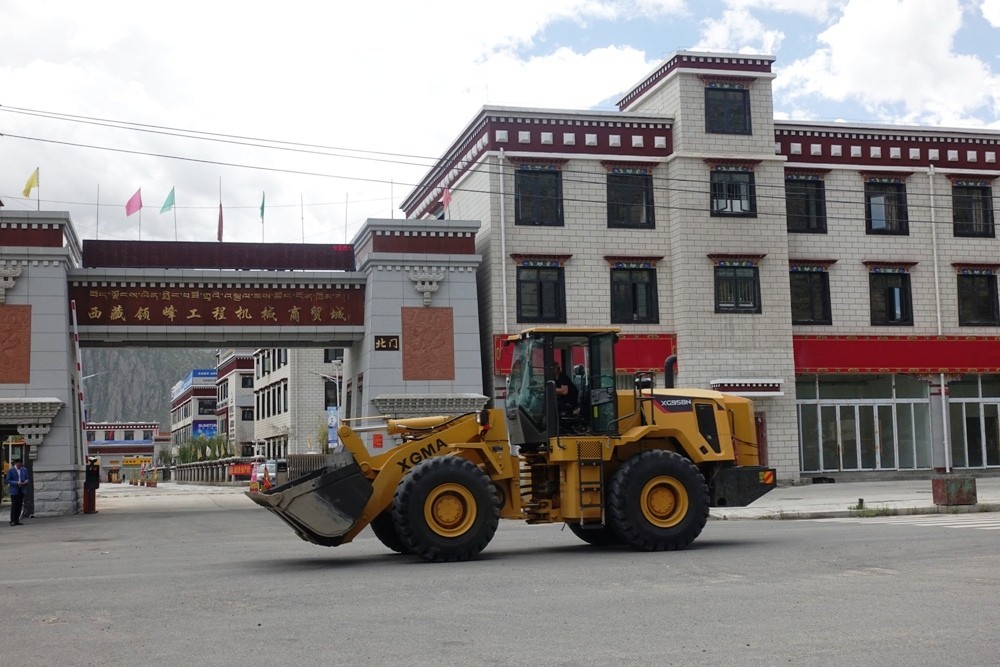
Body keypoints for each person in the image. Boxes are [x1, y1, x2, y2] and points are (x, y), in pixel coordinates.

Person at [6, 458, 29, 526]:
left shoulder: (24, 469)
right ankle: (12, 520)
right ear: (16, 463)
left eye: (20, 464)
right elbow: (8, 480)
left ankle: (17, 520)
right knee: (14, 505)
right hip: (14, 490)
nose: (19, 466)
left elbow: (27, 478)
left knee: (19, 505)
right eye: (18, 464)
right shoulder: (11, 470)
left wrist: (25, 482)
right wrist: (16, 482)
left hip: (21, 489)